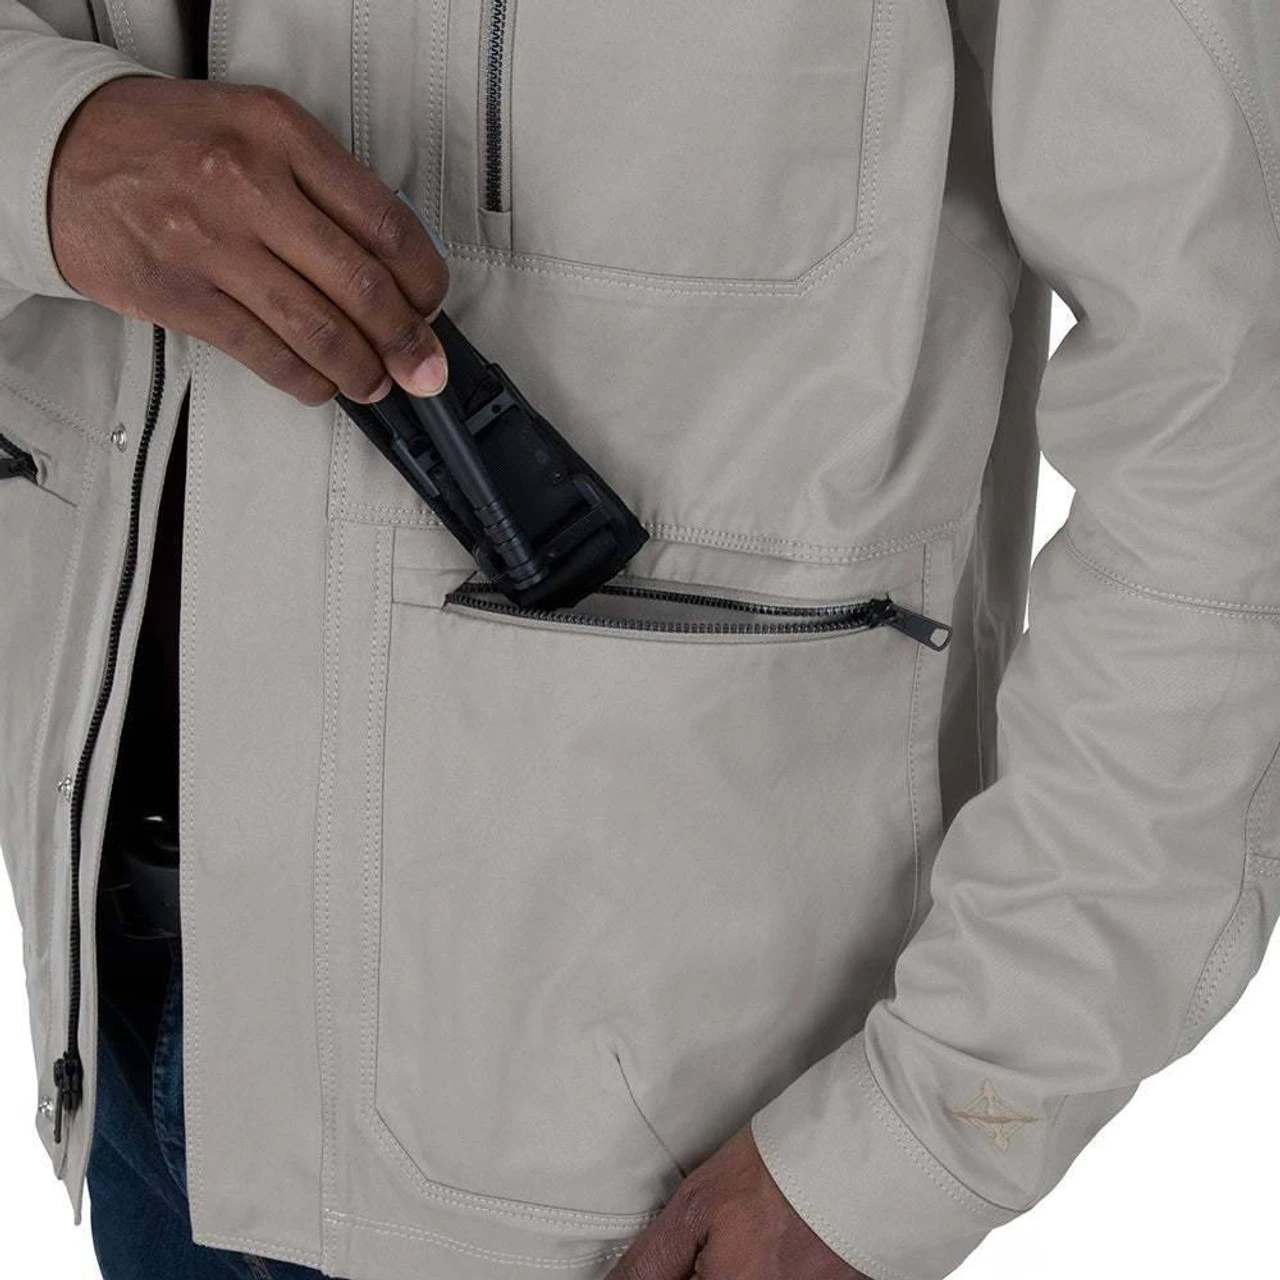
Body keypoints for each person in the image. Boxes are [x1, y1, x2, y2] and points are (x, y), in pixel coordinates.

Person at [1, 2, 1277, 1278]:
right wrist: (45, 147)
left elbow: (1224, 414)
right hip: (122, 1006)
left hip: (655, 1164)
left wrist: (921, 1133)